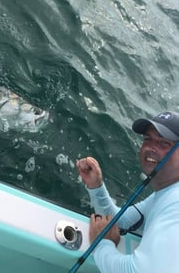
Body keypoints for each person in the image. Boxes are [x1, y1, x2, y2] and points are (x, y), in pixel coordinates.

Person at [76, 111, 179, 273]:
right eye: (147, 139)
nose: (151, 147)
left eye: (164, 143)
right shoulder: (165, 194)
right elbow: (119, 221)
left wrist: (102, 244)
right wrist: (96, 186)